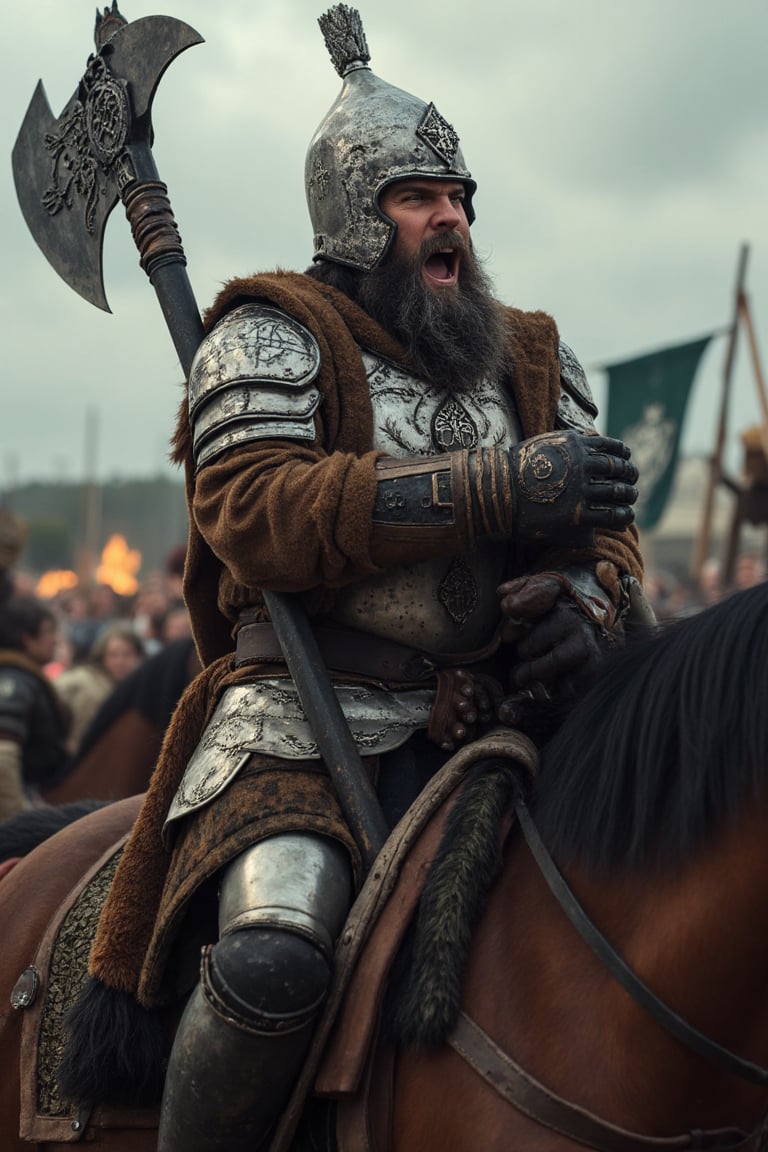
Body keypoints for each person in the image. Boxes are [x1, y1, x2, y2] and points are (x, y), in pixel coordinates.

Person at [62, 8, 644, 1150]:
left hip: (509, 723)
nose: (454, 220)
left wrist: (587, 607)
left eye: (462, 196)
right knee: (276, 959)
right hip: (303, 724)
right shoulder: (271, 336)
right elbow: (258, 516)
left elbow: (607, 536)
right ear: (351, 215)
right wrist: (492, 491)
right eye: (421, 196)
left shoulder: (530, 353)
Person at [0, 574, 71, 817]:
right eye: (48, 632)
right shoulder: (14, 681)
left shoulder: (24, 677)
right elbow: (3, 760)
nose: (54, 639)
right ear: (27, 640)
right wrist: (21, 823)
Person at [54, 622, 146, 754]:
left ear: (139, 657)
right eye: (113, 655)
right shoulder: (93, 689)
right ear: (102, 657)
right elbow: (79, 743)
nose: (120, 661)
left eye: (127, 654)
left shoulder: (128, 688)